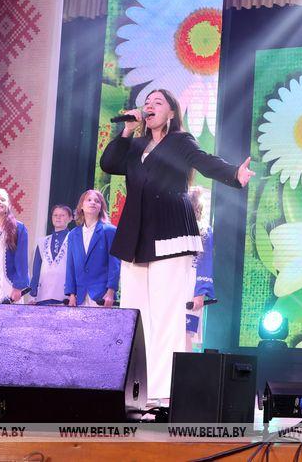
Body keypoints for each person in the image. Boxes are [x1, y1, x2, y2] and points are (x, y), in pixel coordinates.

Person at [100, 88, 254, 403]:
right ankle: (136, 387)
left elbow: (204, 162)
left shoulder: (180, 141)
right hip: (135, 235)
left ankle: (161, 390)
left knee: (165, 313)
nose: (150, 106)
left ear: (171, 112)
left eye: (158, 102)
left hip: (170, 230)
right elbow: (109, 163)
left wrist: (234, 174)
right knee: (136, 313)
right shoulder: (136, 144)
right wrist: (127, 130)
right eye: (147, 103)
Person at [65, 190, 120, 307]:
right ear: (81, 206)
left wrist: (110, 292)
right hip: (79, 296)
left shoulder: (109, 231)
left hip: (102, 296)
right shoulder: (73, 234)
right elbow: (70, 265)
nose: (93, 203)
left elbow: (114, 264)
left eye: (97, 201)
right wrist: (71, 294)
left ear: (101, 207)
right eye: (89, 200)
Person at [186, 186, 215, 350]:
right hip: (174, 281)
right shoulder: (173, 227)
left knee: (186, 332)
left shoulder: (203, 229)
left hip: (192, 284)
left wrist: (200, 293)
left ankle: (182, 366)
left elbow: (205, 262)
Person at [30, 205, 73, 305]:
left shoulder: (74, 239)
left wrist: (74, 293)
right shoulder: (42, 242)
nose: (58, 218)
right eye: (55, 215)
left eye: (62, 215)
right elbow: (36, 270)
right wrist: (33, 294)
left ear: (70, 218)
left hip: (65, 295)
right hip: (43, 295)